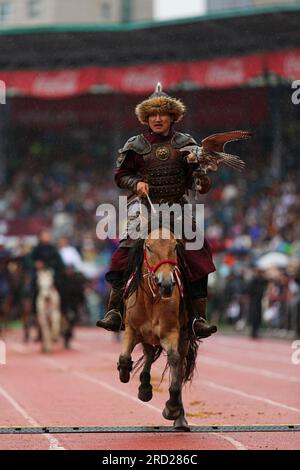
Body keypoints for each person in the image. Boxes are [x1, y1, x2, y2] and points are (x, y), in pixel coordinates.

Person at [96, 84, 217, 339]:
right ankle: (115, 310)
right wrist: (135, 183)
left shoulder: (187, 144)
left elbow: (198, 181)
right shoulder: (135, 144)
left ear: (172, 117)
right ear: (146, 118)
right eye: (153, 115)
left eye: (163, 114)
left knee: (199, 252)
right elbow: (120, 176)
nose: (158, 119)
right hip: (143, 208)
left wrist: (203, 179)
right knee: (125, 251)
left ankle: (197, 317)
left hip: (177, 208)